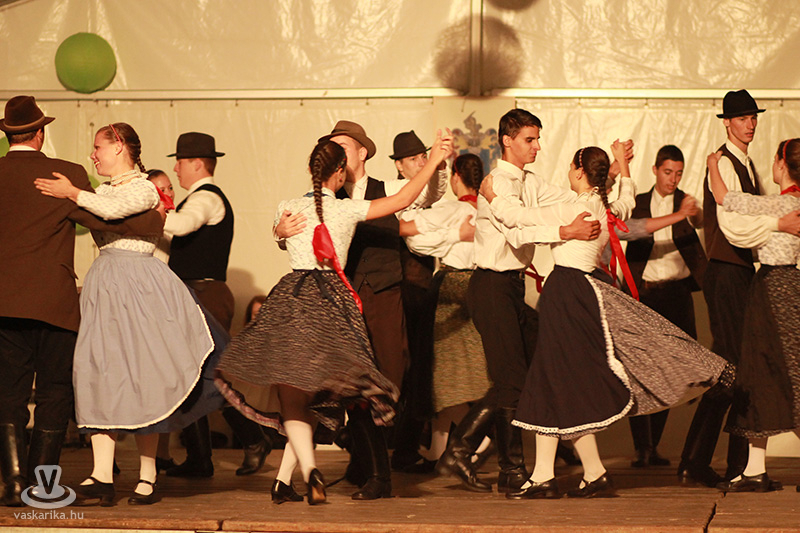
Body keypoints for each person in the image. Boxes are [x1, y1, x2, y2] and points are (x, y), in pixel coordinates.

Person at [215, 131, 454, 505]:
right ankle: (308, 472)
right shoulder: (344, 209)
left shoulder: (288, 206)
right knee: (328, 391)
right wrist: (436, 159)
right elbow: (405, 199)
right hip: (331, 302)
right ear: (339, 173)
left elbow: (282, 233)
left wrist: (277, 231)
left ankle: (289, 477)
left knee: (299, 392)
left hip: (292, 297)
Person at [480, 142, 726, 499]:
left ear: (579, 171)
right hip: (583, 292)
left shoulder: (573, 208)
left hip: (567, 294)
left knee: (550, 379)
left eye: (571, 167)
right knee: (556, 383)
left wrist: (491, 196)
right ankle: (580, 473)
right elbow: (627, 200)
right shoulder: (603, 207)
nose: (568, 172)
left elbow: (519, 217)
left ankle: (554, 476)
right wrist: (623, 166)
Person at [34, 122, 225, 506]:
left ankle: (148, 474)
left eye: (98, 147)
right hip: (106, 281)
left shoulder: (143, 187)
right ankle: (101, 475)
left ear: (119, 147)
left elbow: (113, 210)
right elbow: (100, 209)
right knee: (98, 371)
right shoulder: (102, 190)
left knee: (144, 374)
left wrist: (73, 193)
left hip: (140, 283)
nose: (93, 155)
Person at [0, 96, 162, 507]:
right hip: (53, 303)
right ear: (40, 133)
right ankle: (41, 486)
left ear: (8, 135)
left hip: (4, 302)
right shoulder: (66, 174)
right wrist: (154, 218)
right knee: (55, 392)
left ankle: (12, 483)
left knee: (8, 393)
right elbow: (102, 217)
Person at [277, 121, 448, 499]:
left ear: (362, 152)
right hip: (340, 302)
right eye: (331, 147)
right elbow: (292, 230)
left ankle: (362, 455)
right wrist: (280, 232)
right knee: (352, 385)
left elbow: (424, 195)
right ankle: (374, 471)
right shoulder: (324, 197)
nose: (337, 152)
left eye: (342, 145)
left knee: (390, 379)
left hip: (383, 295)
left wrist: (436, 163)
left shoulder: (385, 188)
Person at [436, 108, 601, 494]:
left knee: (537, 368)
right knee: (512, 380)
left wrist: (611, 179)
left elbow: (572, 199)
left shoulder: (530, 181)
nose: (537, 146)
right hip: (490, 287)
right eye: (530, 139)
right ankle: (482, 457)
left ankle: (482, 456)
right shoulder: (497, 183)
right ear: (507, 141)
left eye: (538, 139)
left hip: (510, 287)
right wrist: (566, 231)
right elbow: (516, 230)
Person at [679, 90, 800, 487]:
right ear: (727, 122)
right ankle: (703, 461)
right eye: (743, 118)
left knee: (743, 369)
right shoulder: (725, 164)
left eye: (753, 117)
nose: (750, 124)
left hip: (746, 273)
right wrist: (777, 225)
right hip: (728, 271)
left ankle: (741, 465)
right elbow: (732, 225)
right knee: (734, 367)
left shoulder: (745, 165)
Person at [164, 132, 272, 479]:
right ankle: (201, 457)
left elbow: (181, 226)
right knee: (190, 377)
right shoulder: (198, 199)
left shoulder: (206, 198)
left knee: (210, 374)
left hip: (204, 294)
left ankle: (253, 439)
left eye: (180, 162)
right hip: (191, 293)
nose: (176, 169)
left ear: (197, 164)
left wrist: (146, 210)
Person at [707, 139, 800, 492]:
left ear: (782, 165)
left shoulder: (775, 204)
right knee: (772, 375)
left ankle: (754, 470)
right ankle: (754, 468)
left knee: (766, 375)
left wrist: (713, 165)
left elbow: (723, 197)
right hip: (792, 286)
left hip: (771, 289)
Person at [399, 154, 491, 467]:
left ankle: (478, 439)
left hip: (452, 287)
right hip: (483, 287)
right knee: (461, 374)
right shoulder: (490, 211)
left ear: (455, 177)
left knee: (438, 376)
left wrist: (452, 236)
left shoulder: (452, 209)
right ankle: (439, 449)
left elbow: (412, 236)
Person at [623, 145, 707, 468]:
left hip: (677, 295)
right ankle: (641, 447)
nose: (673, 179)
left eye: (678, 173)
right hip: (643, 295)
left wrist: (693, 212)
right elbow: (627, 231)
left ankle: (653, 445)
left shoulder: (685, 201)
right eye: (668, 172)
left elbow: (699, 219)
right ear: (655, 170)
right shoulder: (638, 202)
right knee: (639, 370)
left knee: (672, 373)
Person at [388, 130, 448, 474]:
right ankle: (395, 445)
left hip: (419, 291)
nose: (421, 162)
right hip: (403, 292)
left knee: (419, 370)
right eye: (414, 159)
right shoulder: (397, 192)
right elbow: (427, 194)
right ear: (399, 166)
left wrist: (437, 163)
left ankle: (404, 446)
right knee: (407, 368)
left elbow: (433, 190)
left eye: (423, 156)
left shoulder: (419, 193)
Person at [146, 169, 175, 264]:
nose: (169, 194)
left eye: (170, 188)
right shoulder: (145, 222)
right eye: (162, 190)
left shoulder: (175, 219)